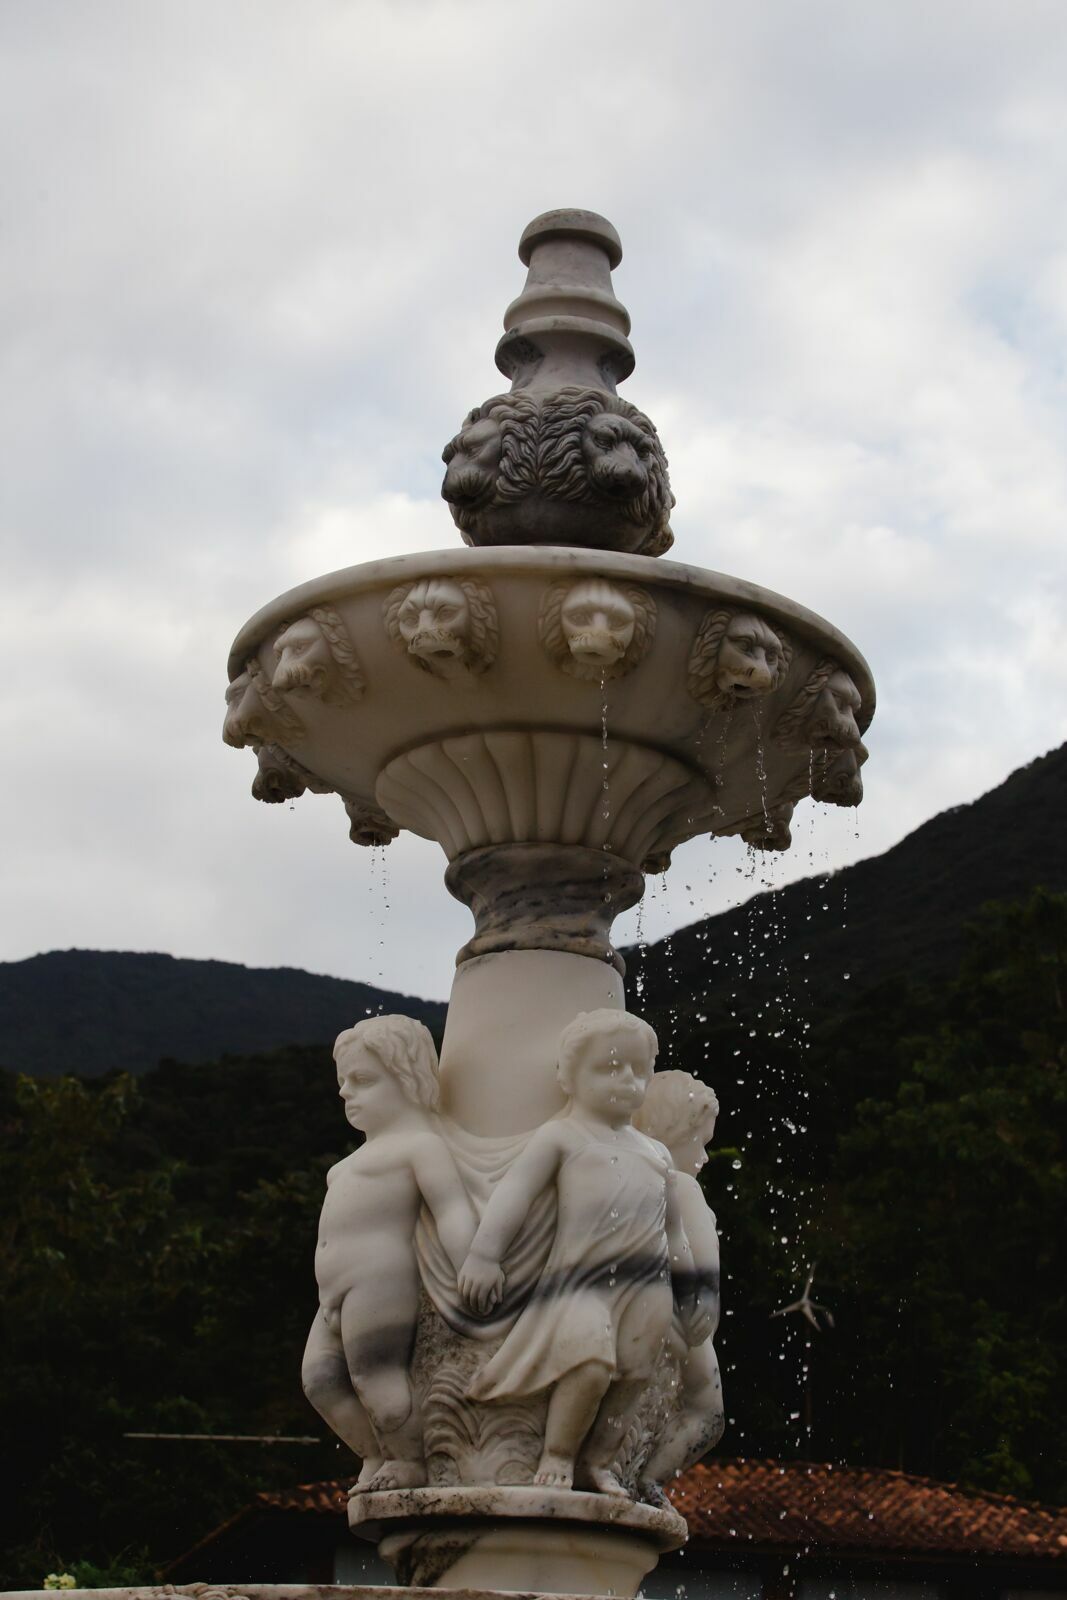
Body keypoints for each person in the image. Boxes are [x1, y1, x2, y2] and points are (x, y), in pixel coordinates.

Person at [458, 1009, 698, 1496]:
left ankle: (598, 1462)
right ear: (569, 1077)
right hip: (582, 1279)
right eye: (609, 1067)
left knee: (634, 1375)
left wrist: (695, 1290)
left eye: (638, 1069)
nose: (627, 1079)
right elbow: (516, 1193)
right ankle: (558, 1453)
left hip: (648, 1282)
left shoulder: (657, 1153)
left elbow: (675, 1231)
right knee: (589, 1364)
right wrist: (484, 1254)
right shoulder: (563, 1135)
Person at [301, 1015, 477, 1493]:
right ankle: (375, 1452)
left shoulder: (420, 1146)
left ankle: (408, 1461)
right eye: (343, 1082)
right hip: (331, 1294)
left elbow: (452, 1210)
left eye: (362, 1079)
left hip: (379, 1284)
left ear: (407, 1077)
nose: (346, 1092)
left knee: (376, 1379)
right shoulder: (345, 1166)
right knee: (319, 1380)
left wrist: (472, 1262)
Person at [633, 1069, 724, 1503]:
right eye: (699, 1143)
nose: (703, 1157)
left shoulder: (635, 1179)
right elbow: (702, 1261)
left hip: (646, 1310)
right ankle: (649, 1479)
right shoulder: (682, 1185)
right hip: (684, 1318)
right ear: (670, 1133)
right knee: (709, 1412)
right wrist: (707, 1301)